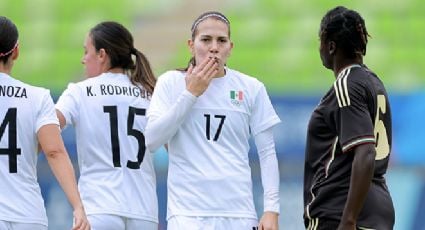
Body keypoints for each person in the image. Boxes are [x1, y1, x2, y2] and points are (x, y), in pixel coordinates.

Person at [145, 11, 281, 230]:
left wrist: (271, 209)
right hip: (187, 214)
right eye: (206, 40)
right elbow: (151, 140)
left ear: (230, 47)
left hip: (239, 213)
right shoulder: (171, 83)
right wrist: (190, 94)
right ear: (191, 45)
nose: (214, 47)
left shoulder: (251, 87)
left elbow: (267, 152)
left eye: (221, 40)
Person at [55, 21, 158, 230]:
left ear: (102, 55)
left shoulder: (80, 91)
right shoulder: (149, 93)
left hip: (98, 207)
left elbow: (48, 128)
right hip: (144, 211)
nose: (83, 60)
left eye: (86, 51)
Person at [303, 6, 395, 230]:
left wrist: (348, 220)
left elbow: (366, 151)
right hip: (377, 211)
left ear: (331, 46)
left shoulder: (347, 84)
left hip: (340, 212)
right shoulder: (373, 82)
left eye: (321, 41)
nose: (320, 48)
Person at [0, 16, 90, 230]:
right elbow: (54, 152)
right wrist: (78, 206)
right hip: (27, 213)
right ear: (16, 51)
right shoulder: (37, 97)